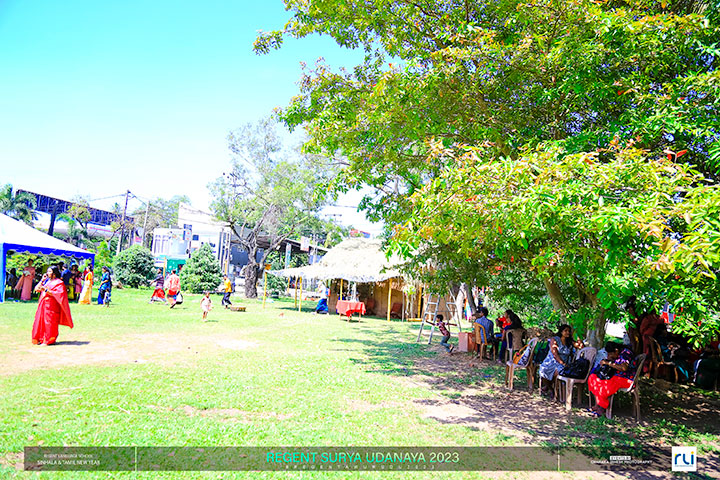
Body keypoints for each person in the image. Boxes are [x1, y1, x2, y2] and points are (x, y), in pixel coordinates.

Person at [588, 342, 636, 417]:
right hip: (614, 377)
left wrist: (609, 363)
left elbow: (624, 368)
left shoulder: (626, 353)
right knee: (593, 377)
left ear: (616, 351)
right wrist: (608, 360)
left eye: (610, 354)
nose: (609, 355)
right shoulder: (617, 353)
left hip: (625, 379)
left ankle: (602, 407)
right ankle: (598, 404)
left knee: (604, 385)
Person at [31, 266, 73, 345]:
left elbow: (58, 294)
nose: (47, 273)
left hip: (51, 305)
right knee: (40, 321)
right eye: (47, 271)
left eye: (49, 271)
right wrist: (42, 280)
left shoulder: (59, 282)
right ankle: (40, 338)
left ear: (54, 273)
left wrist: (46, 290)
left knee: (50, 322)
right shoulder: (46, 281)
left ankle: (49, 340)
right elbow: (36, 289)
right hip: (43, 304)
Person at [539, 324, 577, 397]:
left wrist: (578, 338)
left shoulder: (570, 341)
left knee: (558, 372)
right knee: (544, 370)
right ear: (561, 331)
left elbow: (580, 346)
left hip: (564, 362)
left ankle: (552, 389)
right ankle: (550, 388)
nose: (568, 332)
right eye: (565, 331)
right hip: (552, 360)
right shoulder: (555, 340)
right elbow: (555, 354)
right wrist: (562, 363)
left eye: (569, 331)